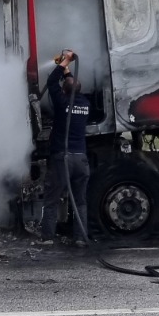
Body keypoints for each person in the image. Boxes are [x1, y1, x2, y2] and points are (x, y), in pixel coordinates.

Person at [38, 49, 98, 242]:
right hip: (81, 159)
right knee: (80, 201)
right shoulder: (85, 104)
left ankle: (47, 237)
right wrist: (68, 70)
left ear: (63, 91)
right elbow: (71, 87)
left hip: (62, 158)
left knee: (52, 199)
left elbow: (51, 83)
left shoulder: (62, 102)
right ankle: (81, 238)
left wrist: (64, 63)